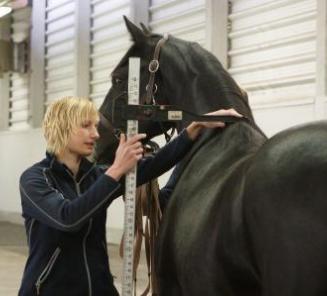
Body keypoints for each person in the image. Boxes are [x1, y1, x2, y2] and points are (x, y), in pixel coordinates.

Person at [18, 96, 242, 296]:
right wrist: (116, 170)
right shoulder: (35, 180)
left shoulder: (96, 176)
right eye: (86, 126)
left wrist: (195, 127)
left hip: (99, 288)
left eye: (95, 126)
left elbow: (155, 164)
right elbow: (68, 218)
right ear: (62, 127)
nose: (95, 134)